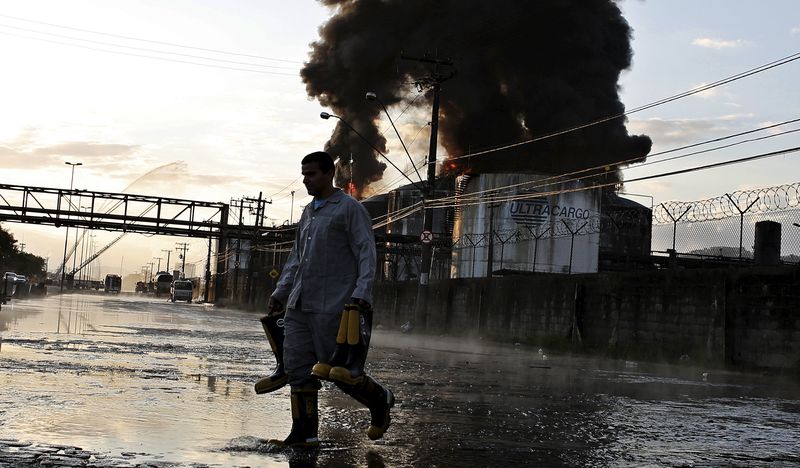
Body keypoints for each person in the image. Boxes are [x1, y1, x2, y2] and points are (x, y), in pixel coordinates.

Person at [266, 151, 394, 448]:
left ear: (328, 174)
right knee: (297, 369)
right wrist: (281, 292)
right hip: (299, 304)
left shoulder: (350, 209)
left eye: (311, 174)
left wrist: (362, 293)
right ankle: (304, 433)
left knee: (338, 373)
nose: (306, 179)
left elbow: (366, 252)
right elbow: (296, 258)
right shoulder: (309, 211)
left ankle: (380, 399)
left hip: (334, 305)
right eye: (304, 173)